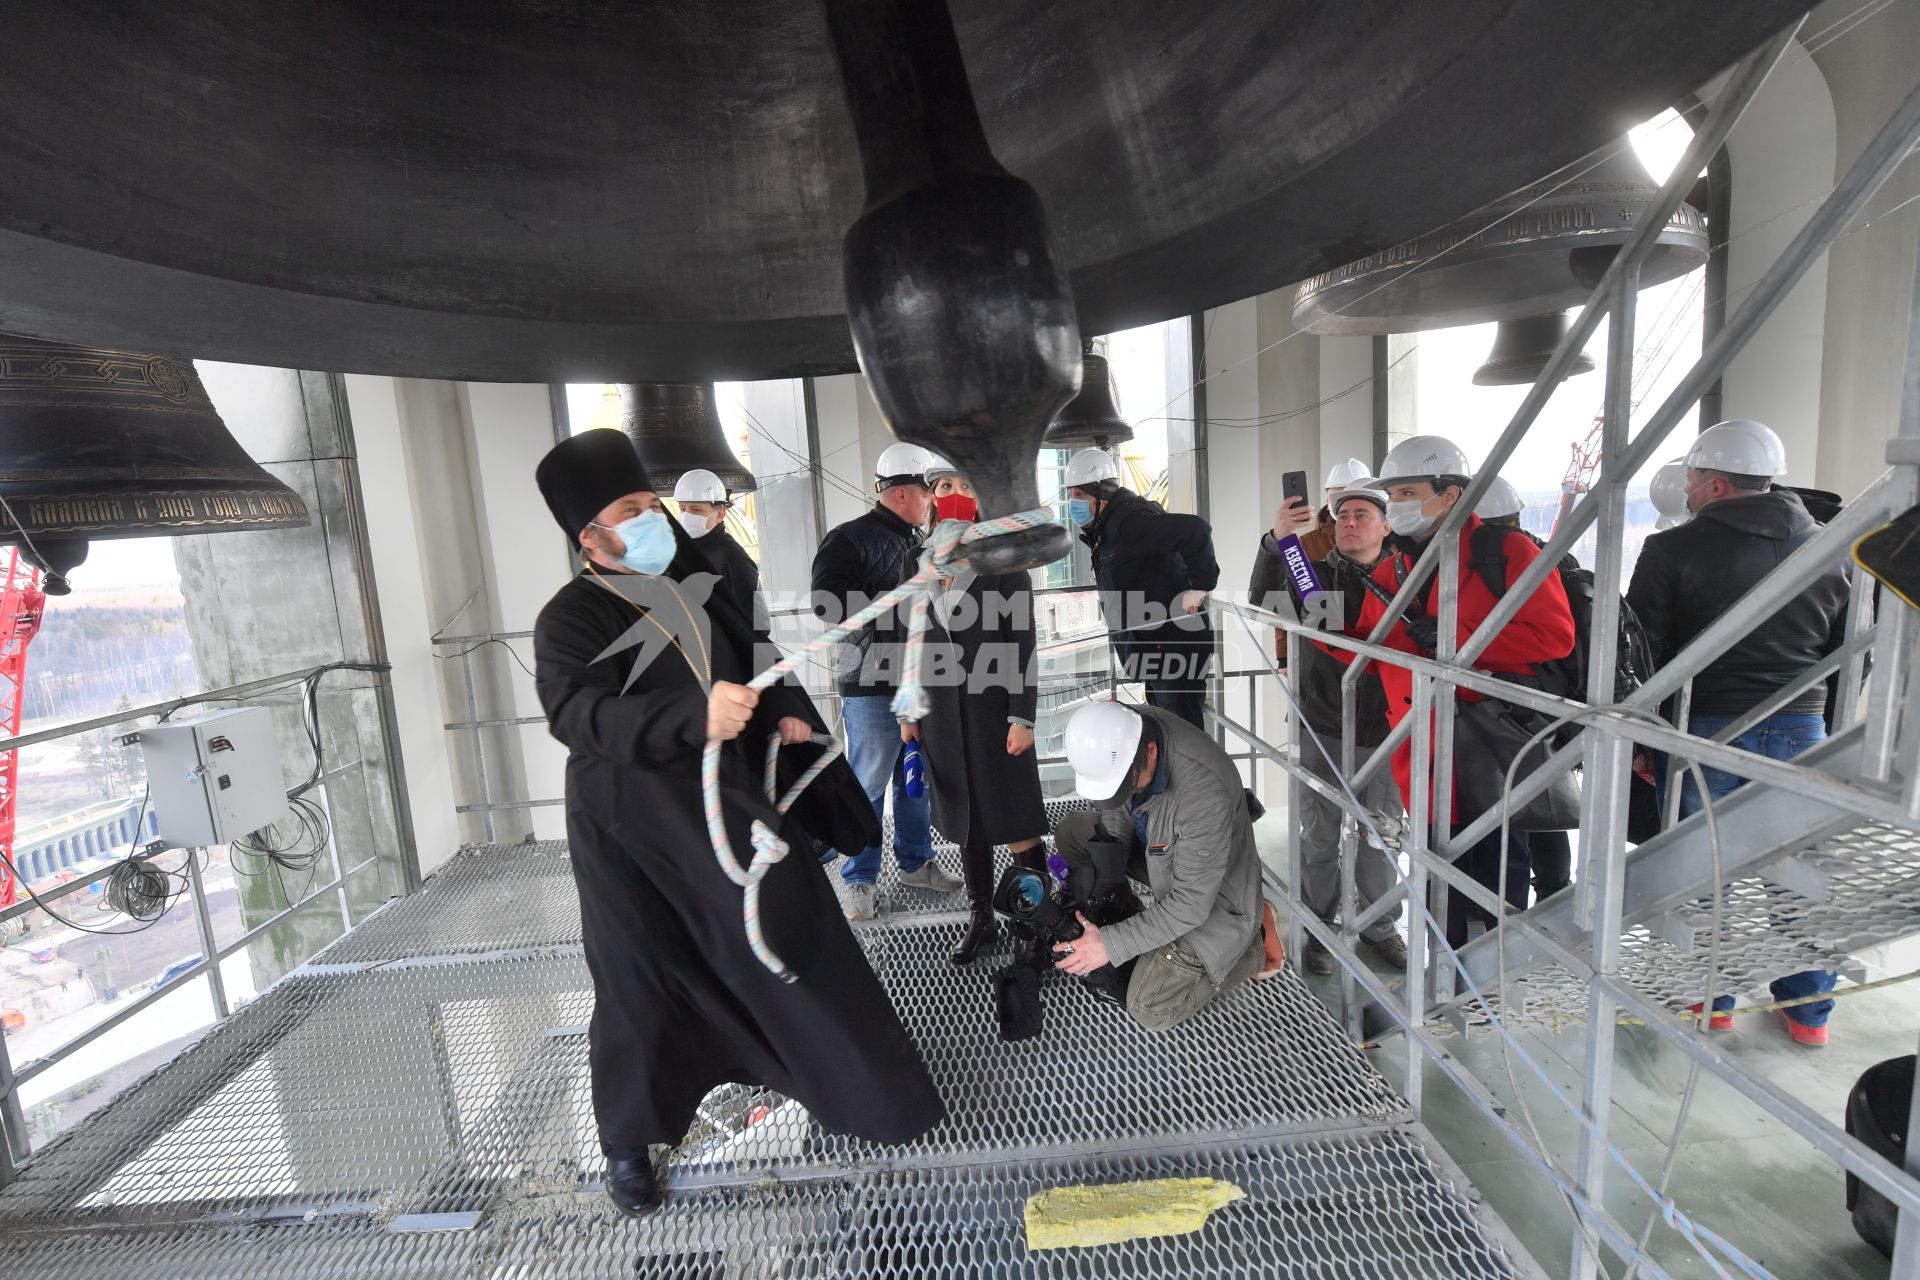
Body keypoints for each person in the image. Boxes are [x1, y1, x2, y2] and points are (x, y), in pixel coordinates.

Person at [531, 430, 943, 1216]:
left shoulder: (697, 574)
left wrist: (786, 714)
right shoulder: (570, 619)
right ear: (590, 534)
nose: (653, 519)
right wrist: (695, 714)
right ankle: (630, 1141)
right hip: (630, 829)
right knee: (638, 980)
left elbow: (754, 651)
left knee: (794, 937)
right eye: (634, 510)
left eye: (653, 505)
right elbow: (574, 714)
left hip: (730, 805)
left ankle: (868, 1095)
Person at [1627, 419, 1849, 1047]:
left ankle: (1710, 1004)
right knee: (1798, 871)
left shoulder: (1673, 550)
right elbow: (1842, 647)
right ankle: (1808, 1014)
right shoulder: (1826, 542)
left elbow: (1642, 654)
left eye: (1693, 479)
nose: (1689, 491)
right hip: (1803, 725)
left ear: (1717, 482)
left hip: (1704, 731)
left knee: (1705, 870)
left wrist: (1645, 739)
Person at [1343, 435, 1577, 949]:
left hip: (1486, 743)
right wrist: (1327, 638)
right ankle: (1444, 975)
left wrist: (1458, 639)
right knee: (1435, 870)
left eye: (1407, 492)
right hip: (1421, 747)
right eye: (1394, 494)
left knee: (1496, 869)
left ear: (1449, 495)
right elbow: (1373, 643)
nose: (1398, 504)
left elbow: (1555, 636)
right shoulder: (1396, 567)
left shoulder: (1507, 553)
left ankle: (1493, 975)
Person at [1250, 477, 1408, 973]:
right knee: (1318, 834)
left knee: (1377, 836)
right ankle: (1320, 928)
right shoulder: (1315, 577)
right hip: (1322, 725)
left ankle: (1380, 926)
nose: (1349, 523)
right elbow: (1265, 600)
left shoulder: (1409, 578)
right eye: (1341, 516)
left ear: (1386, 526)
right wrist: (1276, 545)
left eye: (1362, 515)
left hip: (1383, 732)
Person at [811, 441, 962, 920]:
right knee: (869, 784)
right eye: (928, 492)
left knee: (913, 778)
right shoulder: (849, 540)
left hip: (917, 681)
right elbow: (826, 604)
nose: (933, 502)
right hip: (872, 683)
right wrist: (899, 598)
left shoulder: (920, 543)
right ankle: (859, 880)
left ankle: (916, 862)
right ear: (902, 493)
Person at [907, 457, 1049, 965]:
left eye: (966, 483)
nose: (954, 492)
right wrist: (909, 711)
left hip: (996, 713)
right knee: (966, 822)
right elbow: (913, 643)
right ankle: (983, 919)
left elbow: (1023, 643)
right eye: (945, 485)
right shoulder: (921, 564)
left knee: (1014, 821)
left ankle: (1035, 928)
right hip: (941, 716)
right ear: (931, 496)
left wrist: (1022, 716)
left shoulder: (1004, 561)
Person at [1049, 700, 1267, 1030]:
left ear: (1150, 751)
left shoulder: (1202, 794)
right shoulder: (1128, 729)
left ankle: (1254, 943)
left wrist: (1111, 944)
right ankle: (1127, 914)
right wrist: (1112, 861)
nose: (1122, 793)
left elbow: (1191, 904)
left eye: (1127, 785)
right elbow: (1119, 804)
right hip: (1162, 854)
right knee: (1072, 833)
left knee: (1148, 1007)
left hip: (1216, 901)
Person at [1064, 447, 1221, 730]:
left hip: (1171, 648)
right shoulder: (1109, 527)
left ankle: (1196, 776)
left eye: (1079, 496)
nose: (1072, 504)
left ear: (1102, 495)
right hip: (1155, 647)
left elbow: (1196, 530)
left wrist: (1201, 586)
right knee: (1165, 729)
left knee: (1181, 734)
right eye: (1070, 496)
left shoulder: (1130, 523)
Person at [1473, 476, 1574, 904]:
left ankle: (1508, 912)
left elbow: (1552, 636)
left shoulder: (1496, 559)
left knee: (1509, 811)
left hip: (1506, 700)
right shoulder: (1554, 557)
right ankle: (1553, 892)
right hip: (1549, 700)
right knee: (1545, 802)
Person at [672, 467, 762, 627]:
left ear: (720, 514)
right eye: (683, 509)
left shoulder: (732, 557)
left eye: (696, 509)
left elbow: (759, 623)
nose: (686, 516)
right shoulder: (682, 552)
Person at [1271, 456, 1373, 564]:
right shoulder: (1306, 545)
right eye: (1336, 497)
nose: (1344, 505)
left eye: (1351, 496)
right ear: (1327, 502)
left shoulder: (1385, 541)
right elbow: (1272, 580)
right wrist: (1276, 539)